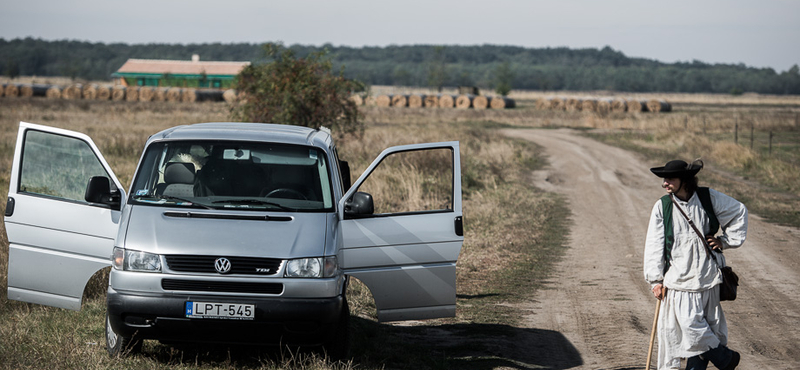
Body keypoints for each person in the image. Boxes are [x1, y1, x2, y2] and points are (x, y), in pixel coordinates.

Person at [644, 159, 747, 370]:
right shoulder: (662, 206)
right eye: (664, 179)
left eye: (670, 178)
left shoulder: (709, 198)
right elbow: (654, 244)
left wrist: (724, 241)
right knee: (689, 327)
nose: (665, 183)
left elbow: (739, 212)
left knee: (708, 328)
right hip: (679, 281)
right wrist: (655, 280)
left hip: (708, 277)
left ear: (685, 180)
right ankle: (725, 358)